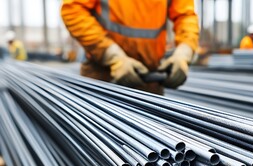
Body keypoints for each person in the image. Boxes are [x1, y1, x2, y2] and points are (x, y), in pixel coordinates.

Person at [61, 0, 199, 95]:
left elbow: (185, 15)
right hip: (103, 73)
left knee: (150, 134)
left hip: (149, 75)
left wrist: (184, 51)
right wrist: (113, 56)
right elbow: (73, 10)